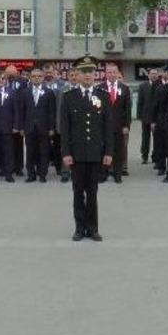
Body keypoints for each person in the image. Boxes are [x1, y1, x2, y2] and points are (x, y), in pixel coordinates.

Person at [59, 56, 113, 242]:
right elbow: (65, 129)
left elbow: (108, 127)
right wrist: (65, 153)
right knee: (77, 192)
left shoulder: (103, 96)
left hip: (95, 153)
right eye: (84, 72)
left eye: (91, 72)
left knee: (92, 192)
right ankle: (79, 228)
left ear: (95, 75)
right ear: (77, 75)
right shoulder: (69, 97)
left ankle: (93, 228)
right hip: (77, 154)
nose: (88, 75)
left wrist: (108, 152)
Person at [18, 68, 56, 183]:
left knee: (43, 152)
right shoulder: (25, 92)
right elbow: (22, 111)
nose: (36, 78)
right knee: (30, 152)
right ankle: (31, 174)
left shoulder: (49, 92)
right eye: (34, 76)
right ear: (30, 78)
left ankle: (42, 174)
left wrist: (51, 127)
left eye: (39, 76)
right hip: (29, 127)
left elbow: (52, 112)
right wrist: (21, 127)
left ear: (43, 78)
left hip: (44, 128)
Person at [96, 62, 130, 183]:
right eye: (109, 72)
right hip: (103, 126)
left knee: (118, 150)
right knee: (103, 149)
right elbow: (96, 108)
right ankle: (103, 173)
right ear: (105, 74)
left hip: (119, 126)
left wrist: (126, 125)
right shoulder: (99, 88)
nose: (111, 74)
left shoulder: (124, 88)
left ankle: (117, 174)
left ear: (118, 73)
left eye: (114, 72)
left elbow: (127, 109)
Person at [137, 68, 158, 164]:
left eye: (155, 74)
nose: (154, 75)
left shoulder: (160, 85)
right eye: (152, 74)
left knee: (157, 138)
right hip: (146, 116)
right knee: (145, 138)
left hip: (157, 117)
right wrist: (139, 116)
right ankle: (144, 156)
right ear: (148, 75)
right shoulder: (143, 86)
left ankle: (155, 156)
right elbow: (140, 102)